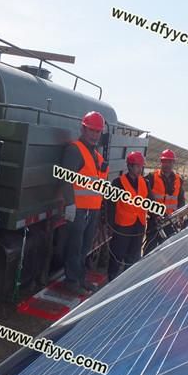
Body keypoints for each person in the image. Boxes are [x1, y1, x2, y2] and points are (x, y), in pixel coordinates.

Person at [61, 111, 109, 295]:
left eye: (97, 131)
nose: (94, 135)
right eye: (91, 130)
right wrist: (70, 204)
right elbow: (65, 178)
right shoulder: (74, 150)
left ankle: (81, 279)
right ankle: (72, 281)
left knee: (84, 248)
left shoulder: (96, 155)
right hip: (79, 209)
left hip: (92, 209)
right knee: (75, 247)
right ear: (83, 129)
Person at [106, 152, 150, 281]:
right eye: (137, 166)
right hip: (122, 226)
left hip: (139, 225)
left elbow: (150, 201)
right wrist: (110, 225)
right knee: (117, 254)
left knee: (133, 256)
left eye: (141, 166)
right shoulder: (118, 182)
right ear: (130, 166)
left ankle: (128, 280)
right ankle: (112, 279)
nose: (140, 169)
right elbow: (110, 205)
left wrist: (158, 215)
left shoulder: (145, 182)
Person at [143, 149, 186, 254]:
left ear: (173, 163)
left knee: (168, 250)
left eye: (170, 162)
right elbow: (145, 198)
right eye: (165, 161)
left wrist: (180, 215)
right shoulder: (151, 177)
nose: (167, 164)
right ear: (161, 162)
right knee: (150, 248)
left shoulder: (178, 180)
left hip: (171, 220)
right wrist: (153, 214)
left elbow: (181, 200)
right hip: (155, 220)